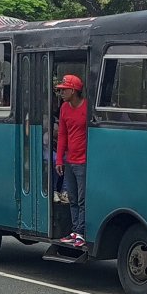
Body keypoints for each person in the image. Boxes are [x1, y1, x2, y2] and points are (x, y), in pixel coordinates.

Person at [55, 74, 88, 247]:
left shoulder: (87, 108)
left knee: (83, 199)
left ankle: (81, 232)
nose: (61, 92)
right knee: (73, 198)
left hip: (83, 161)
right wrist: (59, 159)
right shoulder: (64, 109)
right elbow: (62, 135)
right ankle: (75, 230)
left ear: (74, 90)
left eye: (64, 89)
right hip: (70, 161)